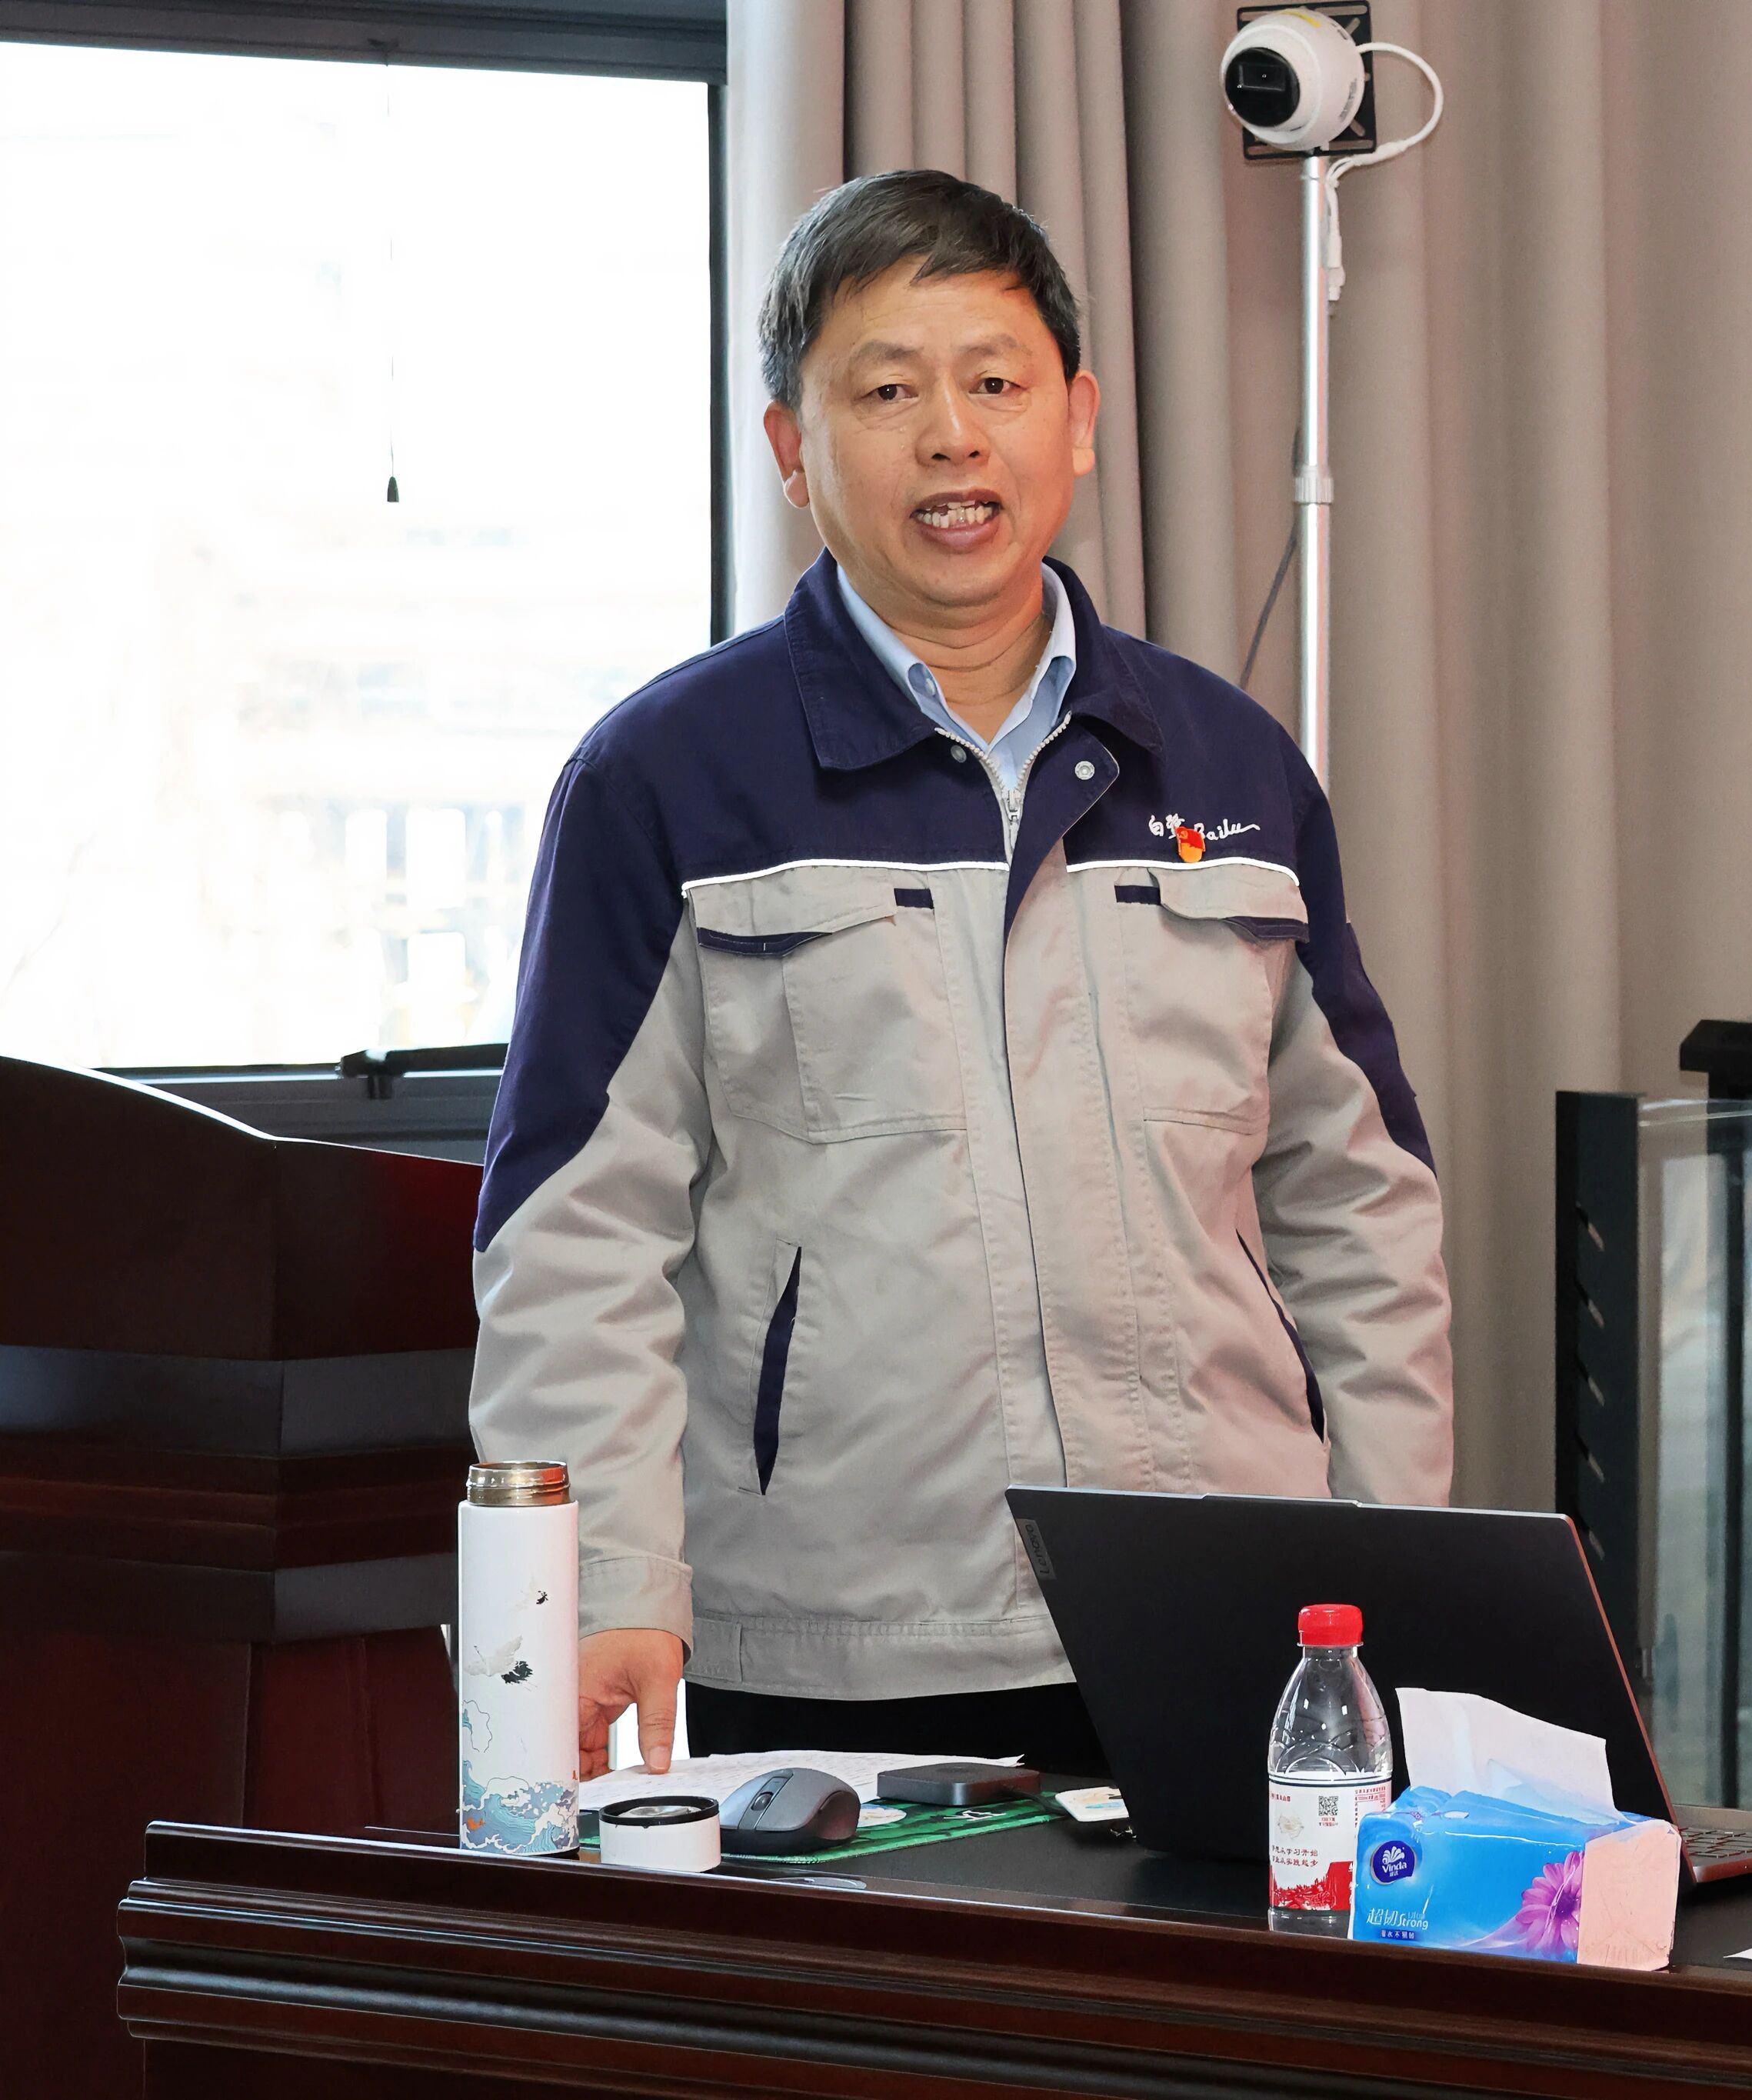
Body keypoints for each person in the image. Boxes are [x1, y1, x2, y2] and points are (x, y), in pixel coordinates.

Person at [469, 169, 1454, 1782]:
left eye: (996, 382)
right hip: (845, 1643)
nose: (951, 436)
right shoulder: (667, 780)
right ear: (792, 449)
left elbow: (1358, 1201)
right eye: (886, 392)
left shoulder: (1229, 761)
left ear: (1078, 420)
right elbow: (580, 1230)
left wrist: (1395, 1552)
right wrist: (612, 1587)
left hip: (1230, 1611)